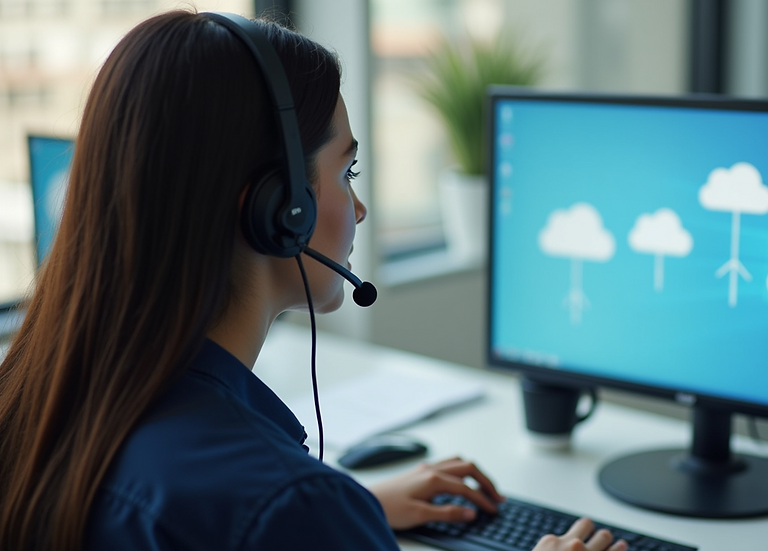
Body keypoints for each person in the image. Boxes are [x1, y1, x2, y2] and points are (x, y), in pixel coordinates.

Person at [0, 10, 629, 551]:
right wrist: (321, 517)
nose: (357, 209)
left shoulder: (38, 400)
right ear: (280, 210)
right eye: (346, 170)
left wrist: (349, 515)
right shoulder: (287, 506)